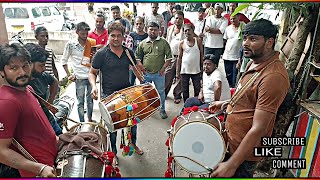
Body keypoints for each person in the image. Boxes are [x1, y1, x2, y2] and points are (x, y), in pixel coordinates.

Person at [209, 19, 290, 177]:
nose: (245, 43)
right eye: (245, 38)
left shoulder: (273, 76)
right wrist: (226, 104)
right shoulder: (253, 62)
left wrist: (232, 165)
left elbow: (259, 128)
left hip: (243, 155)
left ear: (269, 42)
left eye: (253, 39)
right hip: (230, 142)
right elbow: (250, 99)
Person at [89, 22, 144, 166]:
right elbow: (92, 73)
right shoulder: (101, 54)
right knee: (112, 127)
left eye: (119, 36)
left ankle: (133, 144)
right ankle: (113, 153)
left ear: (123, 37)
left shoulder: (127, 52)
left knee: (133, 123)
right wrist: (94, 86)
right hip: (109, 95)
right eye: (113, 35)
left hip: (126, 94)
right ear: (109, 36)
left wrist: (141, 79)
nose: (116, 39)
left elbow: (135, 68)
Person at [0, 43, 57, 177]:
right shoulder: (7, 102)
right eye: (14, 68)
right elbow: (1, 151)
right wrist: (40, 169)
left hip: (50, 164)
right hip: (35, 173)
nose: (22, 72)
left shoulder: (28, 89)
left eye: (25, 65)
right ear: (2, 72)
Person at [135, 22, 172, 119]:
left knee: (160, 92)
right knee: (145, 93)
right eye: (151, 29)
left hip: (159, 74)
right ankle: (146, 110)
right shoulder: (143, 43)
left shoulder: (164, 42)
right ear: (147, 30)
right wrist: (141, 66)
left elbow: (169, 58)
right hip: (146, 73)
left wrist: (163, 68)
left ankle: (162, 109)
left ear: (159, 31)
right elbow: (137, 57)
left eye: (155, 30)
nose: (153, 32)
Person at [24, 43, 62, 135]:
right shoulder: (21, 83)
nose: (44, 68)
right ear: (29, 63)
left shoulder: (42, 76)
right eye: (41, 65)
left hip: (48, 119)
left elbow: (55, 82)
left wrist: (50, 102)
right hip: (35, 127)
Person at [61, 22, 95, 122]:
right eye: (82, 34)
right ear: (77, 32)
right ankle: (81, 122)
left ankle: (89, 120)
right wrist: (69, 75)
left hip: (90, 76)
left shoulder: (91, 43)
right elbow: (64, 61)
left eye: (86, 33)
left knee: (90, 100)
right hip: (79, 78)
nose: (85, 36)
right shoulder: (71, 45)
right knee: (80, 102)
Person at [176, 24, 203, 102]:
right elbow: (179, 58)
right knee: (185, 91)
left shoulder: (198, 41)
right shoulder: (181, 43)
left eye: (189, 30)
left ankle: (196, 105)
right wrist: (177, 72)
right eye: (185, 31)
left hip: (196, 70)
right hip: (184, 71)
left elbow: (201, 54)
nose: (187, 32)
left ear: (193, 30)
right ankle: (186, 107)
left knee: (197, 89)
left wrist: (202, 67)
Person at [165, 10, 185, 104]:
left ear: (183, 20)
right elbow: (166, 42)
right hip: (170, 56)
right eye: (176, 18)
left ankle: (177, 95)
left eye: (180, 18)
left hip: (182, 57)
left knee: (179, 77)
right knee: (168, 75)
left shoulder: (186, 30)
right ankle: (164, 93)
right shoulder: (170, 29)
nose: (178, 20)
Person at [222, 14, 243, 88]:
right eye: (231, 19)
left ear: (239, 17)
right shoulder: (228, 28)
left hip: (237, 56)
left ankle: (234, 89)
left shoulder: (243, 27)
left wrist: (241, 58)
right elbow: (225, 40)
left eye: (234, 18)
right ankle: (229, 89)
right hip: (227, 55)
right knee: (228, 74)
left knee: (235, 75)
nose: (233, 20)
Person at [129, 16, 148, 86]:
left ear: (143, 24)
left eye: (140, 23)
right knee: (131, 82)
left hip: (144, 63)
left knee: (144, 83)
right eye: (137, 24)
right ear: (134, 25)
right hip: (133, 62)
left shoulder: (147, 36)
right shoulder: (131, 35)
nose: (138, 25)